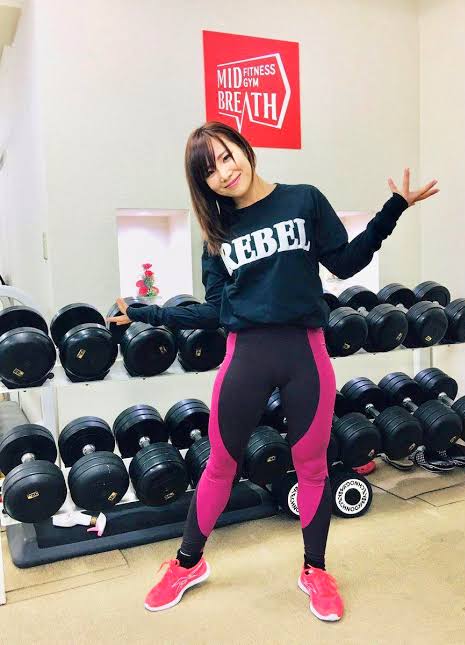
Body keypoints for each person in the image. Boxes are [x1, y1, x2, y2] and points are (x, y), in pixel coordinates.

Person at [107, 121, 439, 621]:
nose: (224, 172)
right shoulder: (217, 233)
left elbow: (346, 263)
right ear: (203, 183)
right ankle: (187, 563)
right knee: (220, 464)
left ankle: (315, 569)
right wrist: (146, 312)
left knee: (312, 465)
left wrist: (393, 209)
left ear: (244, 148)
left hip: (306, 353)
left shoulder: (303, 199)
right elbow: (214, 310)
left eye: (226, 155)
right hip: (246, 356)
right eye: (209, 170)